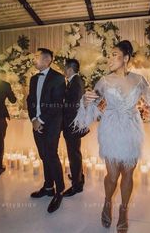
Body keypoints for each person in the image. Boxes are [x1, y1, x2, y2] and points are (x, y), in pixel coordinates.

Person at [73, 40, 150, 232]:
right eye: (109, 54)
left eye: (114, 54)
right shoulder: (104, 80)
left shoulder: (139, 80)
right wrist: (85, 101)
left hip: (131, 130)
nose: (109, 58)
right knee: (112, 175)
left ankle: (123, 210)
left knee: (128, 173)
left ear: (125, 58)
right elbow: (91, 105)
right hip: (110, 129)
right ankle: (107, 202)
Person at [27, 48, 66, 213]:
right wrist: (33, 120)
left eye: (36, 57)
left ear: (47, 60)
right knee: (44, 156)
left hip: (51, 124)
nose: (34, 60)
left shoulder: (58, 78)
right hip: (36, 124)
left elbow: (57, 104)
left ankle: (59, 191)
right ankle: (48, 187)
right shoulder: (34, 78)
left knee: (51, 155)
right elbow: (30, 100)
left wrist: (41, 120)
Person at [63, 59, 87, 197]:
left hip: (72, 124)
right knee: (75, 153)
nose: (64, 71)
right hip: (73, 124)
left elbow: (73, 105)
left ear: (70, 69)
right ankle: (79, 177)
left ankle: (77, 186)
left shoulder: (76, 83)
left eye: (65, 69)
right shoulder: (74, 81)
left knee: (74, 155)